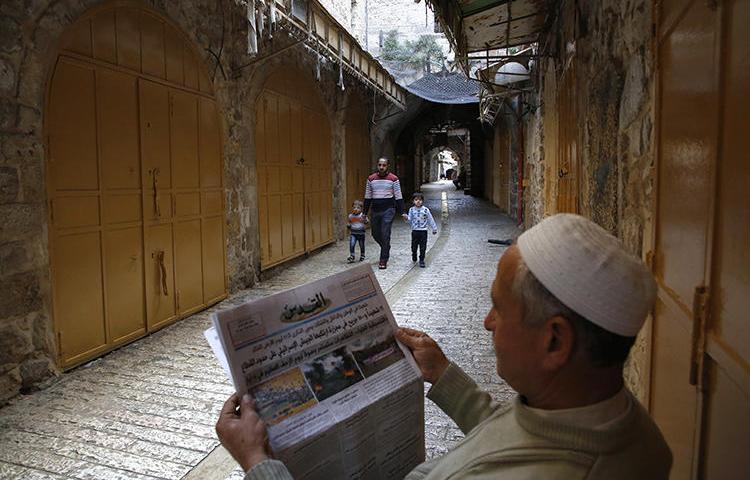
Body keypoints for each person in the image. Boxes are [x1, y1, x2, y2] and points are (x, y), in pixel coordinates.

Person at [215, 214, 673, 479]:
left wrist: (257, 462)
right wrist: (446, 376)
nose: (487, 322)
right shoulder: (637, 435)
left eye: (498, 308)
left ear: (555, 341)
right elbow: (518, 436)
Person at [363, 157, 404, 270]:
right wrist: (364, 213)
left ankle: (383, 259)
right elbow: (367, 197)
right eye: (380, 165)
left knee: (385, 233)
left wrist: (402, 212)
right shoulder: (371, 179)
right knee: (375, 234)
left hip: (388, 210)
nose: (381, 167)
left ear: (387, 166)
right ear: (377, 165)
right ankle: (386, 246)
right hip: (375, 210)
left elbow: (398, 196)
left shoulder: (393, 179)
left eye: (384, 165)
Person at [402, 192, 437, 268]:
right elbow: (409, 220)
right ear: (413, 201)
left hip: (423, 231)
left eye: (420, 200)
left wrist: (434, 228)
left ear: (422, 201)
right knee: (414, 246)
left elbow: (430, 219)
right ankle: (414, 254)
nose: (418, 201)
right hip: (415, 231)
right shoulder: (411, 210)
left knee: (423, 247)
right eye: (416, 200)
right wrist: (406, 218)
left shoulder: (425, 210)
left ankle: (421, 260)